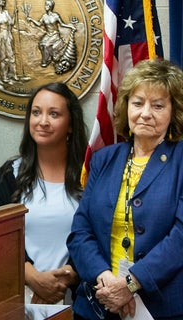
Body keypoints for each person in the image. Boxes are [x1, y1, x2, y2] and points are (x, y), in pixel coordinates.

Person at [67, 59, 183, 319]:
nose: (145, 113)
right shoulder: (104, 159)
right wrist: (106, 280)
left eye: (158, 105)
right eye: (138, 103)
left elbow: (180, 238)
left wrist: (131, 284)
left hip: (161, 307)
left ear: (174, 111)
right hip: (99, 303)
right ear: (126, 106)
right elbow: (80, 232)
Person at [0, 82, 86, 318]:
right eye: (36, 112)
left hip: (77, 300)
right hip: (17, 299)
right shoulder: (9, 175)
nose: (43, 121)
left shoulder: (90, 176)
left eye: (53, 114)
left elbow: (97, 236)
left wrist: (67, 276)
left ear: (71, 124)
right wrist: (34, 278)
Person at [25, 0, 77, 74]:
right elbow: (39, 24)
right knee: (41, 44)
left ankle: (45, 61)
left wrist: (70, 26)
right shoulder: (44, 16)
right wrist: (31, 19)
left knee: (46, 45)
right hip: (48, 34)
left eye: (47, 5)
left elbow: (62, 24)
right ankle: (48, 58)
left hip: (55, 34)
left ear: (50, 7)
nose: (46, 6)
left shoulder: (55, 16)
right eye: (45, 5)